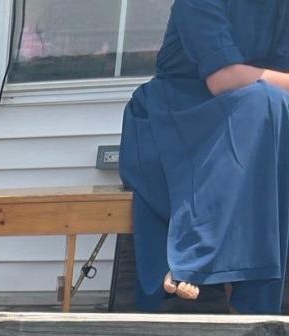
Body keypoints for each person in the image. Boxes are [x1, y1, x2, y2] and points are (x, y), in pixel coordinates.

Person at [120, 0, 289, 313]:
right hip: (175, 115)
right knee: (267, 101)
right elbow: (222, 78)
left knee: (272, 108)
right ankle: (200, 261)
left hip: (251, 119)